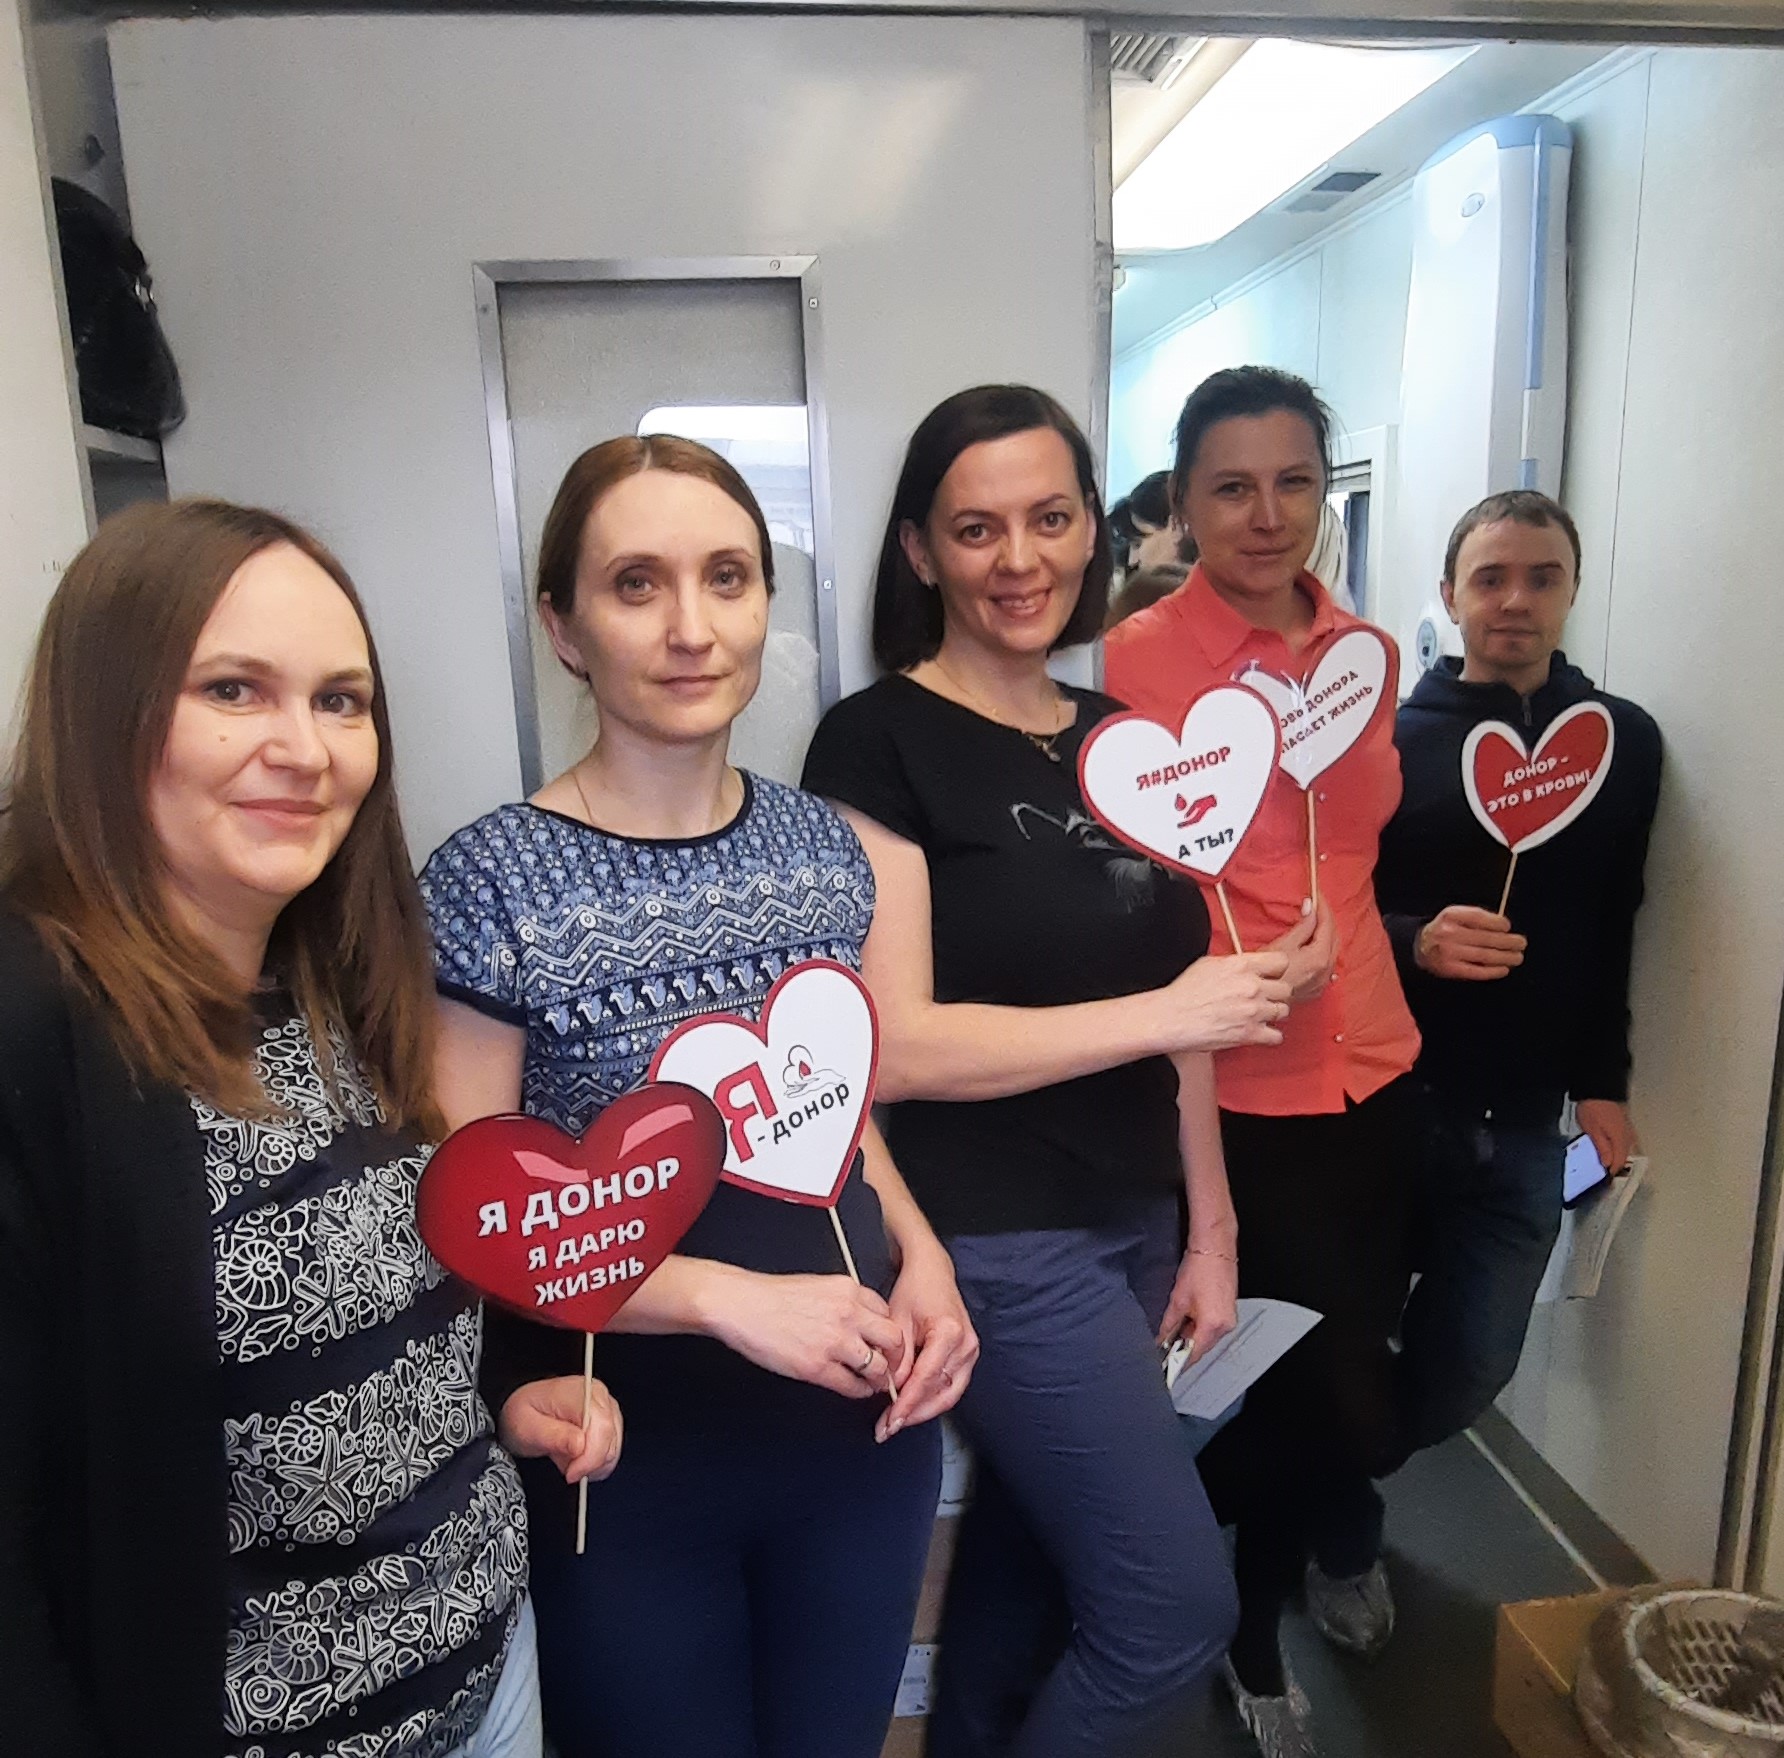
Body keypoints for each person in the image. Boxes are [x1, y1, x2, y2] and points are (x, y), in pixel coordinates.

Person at [421, 435, 976, 1758]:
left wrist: (927, 1259)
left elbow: (833, 1111)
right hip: (626, 1447)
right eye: (636, 584)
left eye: (727, 577)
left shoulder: (820, 847)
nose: (689, 626)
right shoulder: (489, 884)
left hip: (855, 1428)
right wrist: (728, 1301)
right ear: (563, 627)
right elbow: (472, 1221)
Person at [0, 499, 572, 1758]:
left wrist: (486, 1406)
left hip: (489, 1677)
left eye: (339, 701)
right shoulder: (36, 1026)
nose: (304, 749)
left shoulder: (338, 975)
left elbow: (353, 1304)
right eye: (234, 690)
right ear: (106, 709)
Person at [803, 384, 1301, 1758]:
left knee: (1027, 1573)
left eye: (1049, 517)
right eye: (976, 528)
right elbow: (896, 1042)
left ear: (1092, 528)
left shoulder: (1117, 736)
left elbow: (1187, 1012)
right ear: (921, 551)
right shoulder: (875, 740)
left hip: (1137, 1218)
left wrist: (1211, 1231)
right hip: (996, 1236)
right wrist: (1162, 1011)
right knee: (1170, 1608)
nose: (1018, 558)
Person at [1104, 366, 1421, 1758]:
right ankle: (1226, 1629)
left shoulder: (1366, 656)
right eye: (1230, 487)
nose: (1266, 514)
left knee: (1351, 1392)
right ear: (1182, 501)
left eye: (1294, 481)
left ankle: (1255, 1595)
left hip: (1375, 1069)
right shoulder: (1130, 664)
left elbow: (1353, 856)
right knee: (1247, 1389)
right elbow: (1123, 892)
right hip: (1229, 1091)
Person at [1377, 489, 1663, 1453]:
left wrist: (1603, 1085)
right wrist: (1414, 938)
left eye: (1543, 578)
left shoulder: (1622, 746)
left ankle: (1345, 1469)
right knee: (1338, 1340)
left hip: (1530, 1122)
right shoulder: (1388, 744)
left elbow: (1614, 918)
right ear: (1449, 593)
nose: (1515, 601)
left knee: (1473, 1363)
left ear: (1573, 590)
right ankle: (1328, 1509)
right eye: (1490, 578)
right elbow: (1324, 913)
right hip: (1389, 1103)